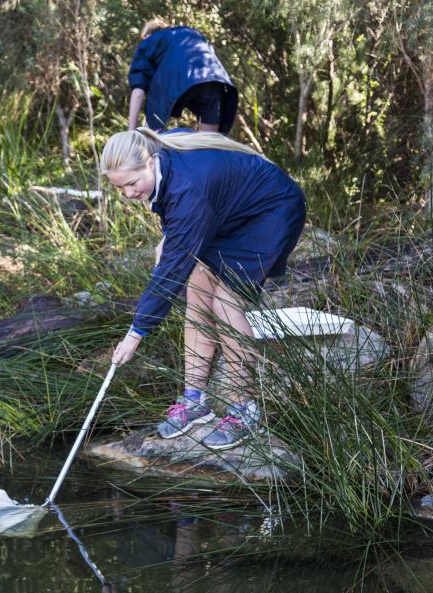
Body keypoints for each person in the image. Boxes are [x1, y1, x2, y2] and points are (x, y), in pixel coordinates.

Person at [102, 128, 305, 449]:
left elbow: (169, 274)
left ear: (150, 163)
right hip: (229, 212)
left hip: (270, 212)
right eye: (120, 188)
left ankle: (244, 408)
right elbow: (181, 226)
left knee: (225, 300)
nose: (128, 194)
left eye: (132, 183)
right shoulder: (158, 148)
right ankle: (194, 400)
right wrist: (169, 238)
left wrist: (136, 332)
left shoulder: (187, 189)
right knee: (198, 291)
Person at [127, 19, 239, 134]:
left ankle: (148, 146)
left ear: (147, 34)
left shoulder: (148, 41)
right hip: (212, 77)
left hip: (174, 78)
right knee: (210, 139)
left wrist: (131, 131)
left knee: (151, 132)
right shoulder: (190, 33)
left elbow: (138, 92)